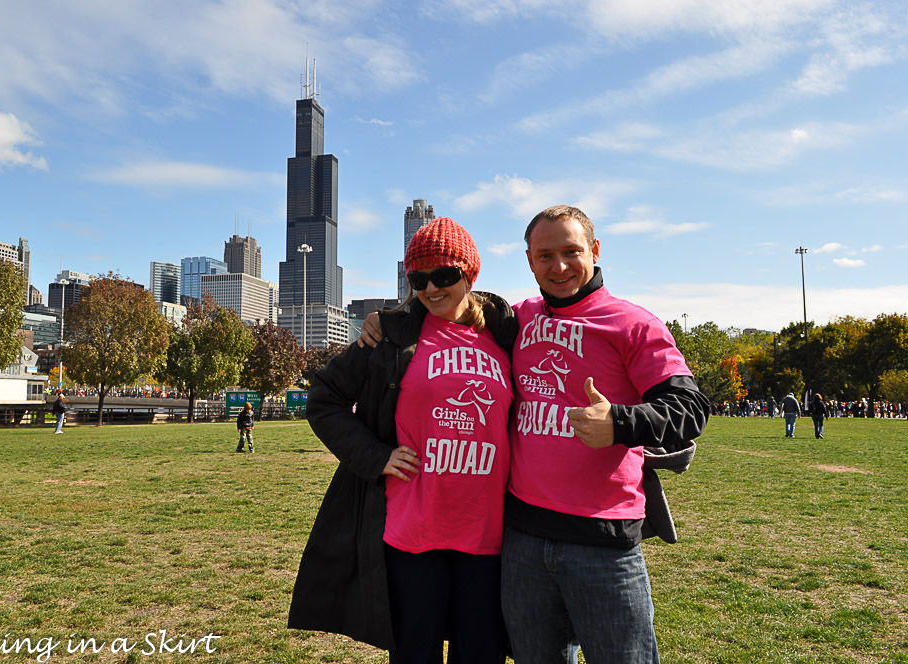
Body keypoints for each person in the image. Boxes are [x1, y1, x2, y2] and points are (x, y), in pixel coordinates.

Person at [358, 205, 710, 663]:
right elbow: (449, 298)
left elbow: (690, 407)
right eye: (545, 255)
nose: (558, 266)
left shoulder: (633, 324)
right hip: (522, 538)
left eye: (571, 251)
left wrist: (620, 423)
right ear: (529, 260)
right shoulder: (515, 320)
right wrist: (388, 320)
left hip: (603, 541)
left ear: (595, 250)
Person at [288, 217, 516, 663]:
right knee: (415, 653)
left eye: (445, 275)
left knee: (483, 654)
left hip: (488, 533)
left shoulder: (505, 334)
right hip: (414, 532)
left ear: (470, 274)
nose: (431, 289)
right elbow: (324, 399)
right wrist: (376, 457)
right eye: (419, 278)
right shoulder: (390, 335)